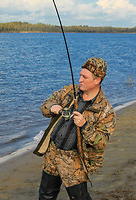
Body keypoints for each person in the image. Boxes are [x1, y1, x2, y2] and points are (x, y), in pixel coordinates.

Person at [34, 57, 116, 200]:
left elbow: (101, 143)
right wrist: (53, 107)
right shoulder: (69, 91)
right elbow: (45, 105)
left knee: (79, 198)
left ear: (98, 80)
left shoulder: (105, 110)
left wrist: (85, 125)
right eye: (80, 75)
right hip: (52, 153)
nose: (80, 80)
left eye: (84, 77)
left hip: (75, 161)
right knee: (46, 195)